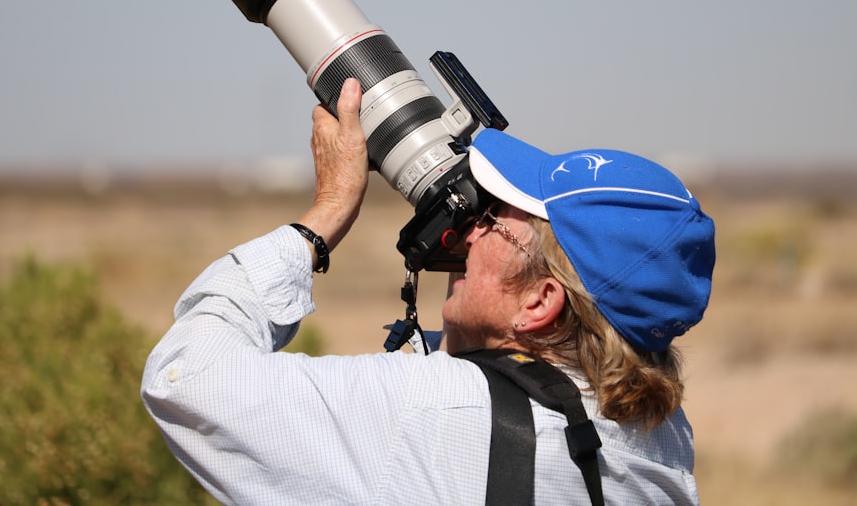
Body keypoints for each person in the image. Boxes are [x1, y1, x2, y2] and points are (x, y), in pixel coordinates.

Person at [142, 77, 715, 505]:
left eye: (491, 221)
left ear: (540, 301)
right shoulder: (658, 433)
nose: (467, 232)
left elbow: (185, 378)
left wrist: (321, 221)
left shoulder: (437, 412)